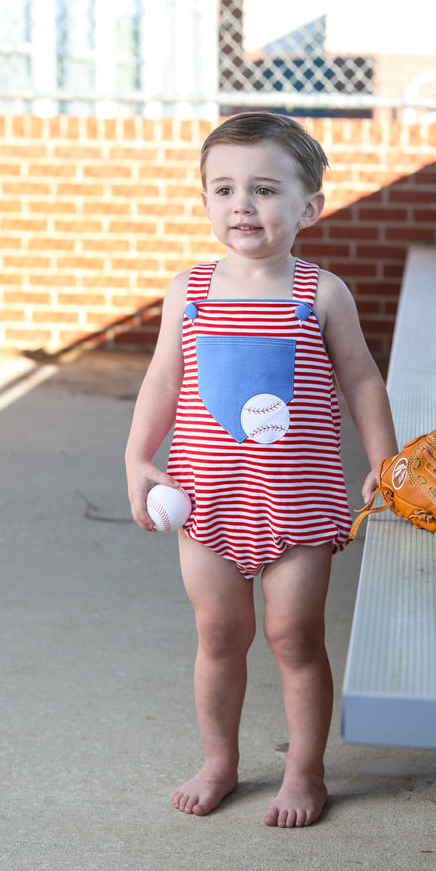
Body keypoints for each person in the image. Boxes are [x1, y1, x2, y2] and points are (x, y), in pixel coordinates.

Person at [125, 111, 397, 828]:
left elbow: (363, 379)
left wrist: (384, 461)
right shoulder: (191, 290)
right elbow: (161, 381)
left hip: (301, 506)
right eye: (224, 188)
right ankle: (220, 761)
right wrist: (136, 459)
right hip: (205, 503)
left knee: (295, 639)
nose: (242, 204)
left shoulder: (320, 292)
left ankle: (305, 771)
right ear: (207, 200)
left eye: (266, 189)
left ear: (309, 206)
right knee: (218, 637)